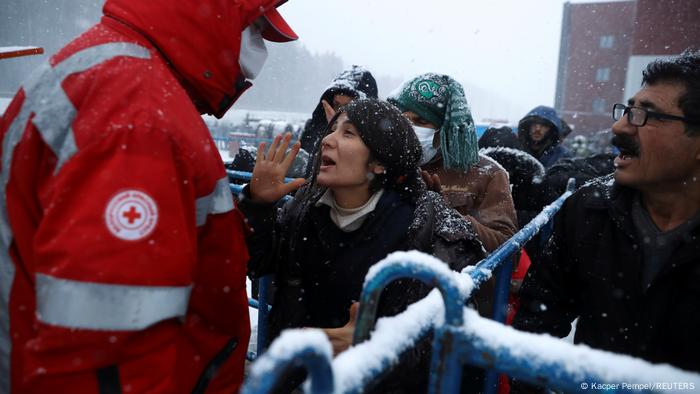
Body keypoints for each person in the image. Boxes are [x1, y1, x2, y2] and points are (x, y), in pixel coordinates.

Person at [0, 0, 298, 392]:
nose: (260, 49)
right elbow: (103, 348)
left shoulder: (116, 72)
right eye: (256, 28)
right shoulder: (140, 119)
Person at [239, 98, 485, 392]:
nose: (327, 139)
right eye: (332, 130)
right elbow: (259, 263)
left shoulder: (430, 227)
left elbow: (449, 341)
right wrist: (257, 206)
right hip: (300, 378)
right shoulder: (305, 205)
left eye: (348, 133)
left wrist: (374, 347)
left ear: (380, 161)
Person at [513, 50, 700, 380]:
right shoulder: (588, 210)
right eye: (628, 110)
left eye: (647, 115)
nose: (619, 126)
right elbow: (537, 319)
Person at [388, 73, 518, 253]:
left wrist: (447, 216)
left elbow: (507, 250)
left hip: (450, 277)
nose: (410, 128)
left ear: (445, 129)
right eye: (405, 119)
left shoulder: (487, 174)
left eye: (421, 121)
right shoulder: (385, 163)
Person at [298, 65, 378, 155]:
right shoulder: (313, 132)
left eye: (348, 107)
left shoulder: (376, 145)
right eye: (337, 105)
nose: (340, 113)